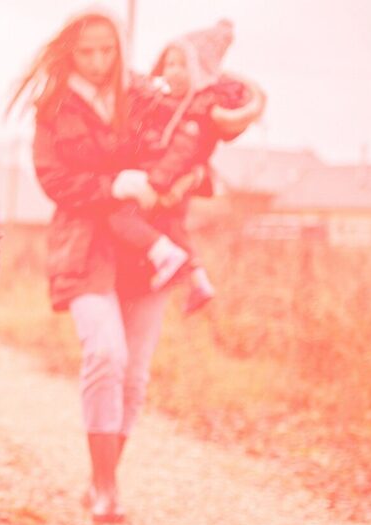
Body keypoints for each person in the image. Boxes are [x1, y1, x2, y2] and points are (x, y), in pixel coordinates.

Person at [11, 10, 261, 523]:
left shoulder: (144, 93)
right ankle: (104, 485)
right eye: (87, 51)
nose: (99, 61)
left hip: (149, 246)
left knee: (135, 374)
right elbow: (54, 181)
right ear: (70, 52)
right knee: (105, 354)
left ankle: (104, 480)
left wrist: (240, 107)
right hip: (85, 244)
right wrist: (115, 187)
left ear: (120, 49)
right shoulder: (53, 107)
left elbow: (202, 119)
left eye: (108, 50)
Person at [106, 19, 265, 313]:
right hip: (171, 187)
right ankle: (199, 280)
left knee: (122, 219)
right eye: (169, 64)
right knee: (176, 230)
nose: (173, 72)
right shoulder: (166, 105)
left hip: (163, 184)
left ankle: (167, 258)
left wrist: (158, 182)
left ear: (198, 72)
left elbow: (182, 152)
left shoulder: (193, 113)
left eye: (182, 65)